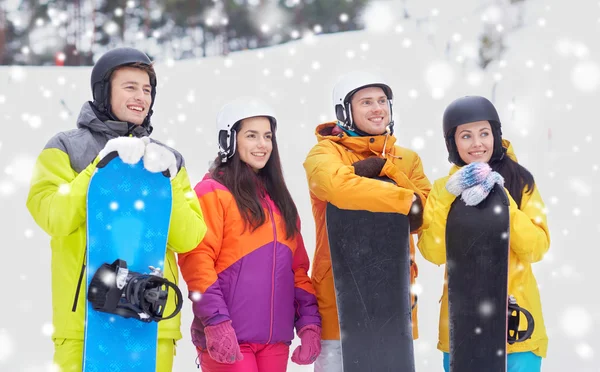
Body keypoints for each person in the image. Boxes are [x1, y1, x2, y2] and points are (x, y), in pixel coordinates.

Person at [25, 47, 207, 372]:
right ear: (103, 91)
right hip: (84, 325)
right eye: (130, 86)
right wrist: (98, 169)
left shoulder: (168, 159)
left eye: (147, 89)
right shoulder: (64, 149)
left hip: (151, 322)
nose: (141, 97)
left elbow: (190, 237)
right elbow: (54, 217)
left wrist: (167, 182)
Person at [178, 97, 322, 372]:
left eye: (267, 136)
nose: (262, 145)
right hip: (230, 337)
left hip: (274, 341)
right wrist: (216, 321)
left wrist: (308, 321)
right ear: (229, 140)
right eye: (252, 136)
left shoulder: (279, 200)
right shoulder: (212, 192)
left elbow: (298, 268)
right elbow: (197, 261)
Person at [303, 70, 431, 372]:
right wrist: (402, 199)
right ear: (344, 111)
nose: (378, 108)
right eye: (366, 102)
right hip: (339, 302)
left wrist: (389, 171)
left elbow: (423, 213)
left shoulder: (407, 160)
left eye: (382, 101)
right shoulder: (324, 153)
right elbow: (337, 187)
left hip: (393, 299)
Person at [417, 95, 550, 371]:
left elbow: (536, 248)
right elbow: (433, 251)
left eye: (484, 133)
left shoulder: (520, 181)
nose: (477, 144)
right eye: (466, 136)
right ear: (452, 143)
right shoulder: (443, 189)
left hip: (516, 329)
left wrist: (502, 201)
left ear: (496, 135)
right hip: (461, 327)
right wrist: (448, 196)